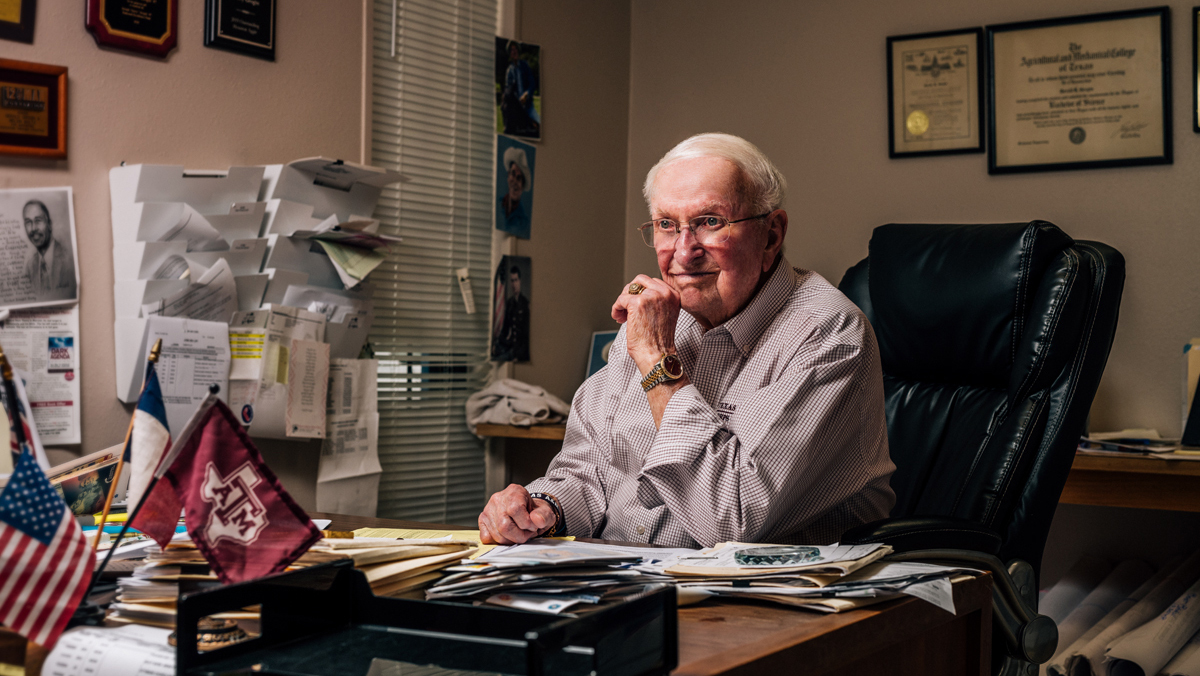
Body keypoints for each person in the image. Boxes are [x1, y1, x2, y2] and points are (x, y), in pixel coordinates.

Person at [478, 133, 895, 548]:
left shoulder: (828, 334)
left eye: (710, 222)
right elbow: (589, 470)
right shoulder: (653, 320)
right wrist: (541, 508)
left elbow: (729, 519)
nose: (683, 251)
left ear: (771, 235)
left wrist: (658, 361)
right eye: (666, 225)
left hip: (763, 599)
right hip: (622, 583)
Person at [22, 199, 76, 301]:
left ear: (49, 225)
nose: (33, 228)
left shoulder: (68, 260)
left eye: (38, 221)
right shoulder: (29, 267)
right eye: (28, 222)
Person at [500, 41, 540, 137]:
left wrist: (527, 94)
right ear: (510, 53)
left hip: (528, 107)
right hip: (516, 109)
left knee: (540, 125)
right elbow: (508, 89)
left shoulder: (525, 65)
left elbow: (532, 83)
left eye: (515, 49)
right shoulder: (509, 71)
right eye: (512, 50)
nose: (514, 52)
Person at [492, 265, 530, 362]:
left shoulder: (525, 304)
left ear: (520, 281)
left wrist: (518, 356)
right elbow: (505, 329)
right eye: (512, 281)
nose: (514, 284)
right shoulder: (509, 303)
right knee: (494, 357)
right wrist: (497, 345)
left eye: (516, 280)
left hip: (518, 351)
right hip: (509, 347)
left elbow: (526, 337)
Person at [497, 146, 531, 238]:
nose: (515, 181)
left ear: (522, 187)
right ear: (508, 176)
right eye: (513, 174)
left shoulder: (522, 222)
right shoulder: (498, 204)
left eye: (519, 178)